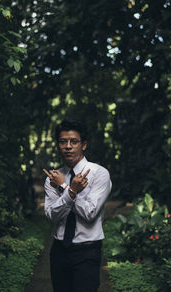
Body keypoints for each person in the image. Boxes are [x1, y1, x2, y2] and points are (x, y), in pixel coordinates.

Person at [43, 118, 112, 292]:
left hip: (87, 251)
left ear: (84, 145)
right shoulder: (52, 178)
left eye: (74, 141)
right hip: (59, 250)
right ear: (58, 145)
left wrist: (65, 188)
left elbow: (90, 213)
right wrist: (70, 191)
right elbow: (52, 216)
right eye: (63, 141)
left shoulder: (99, 173)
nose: (68, 146)